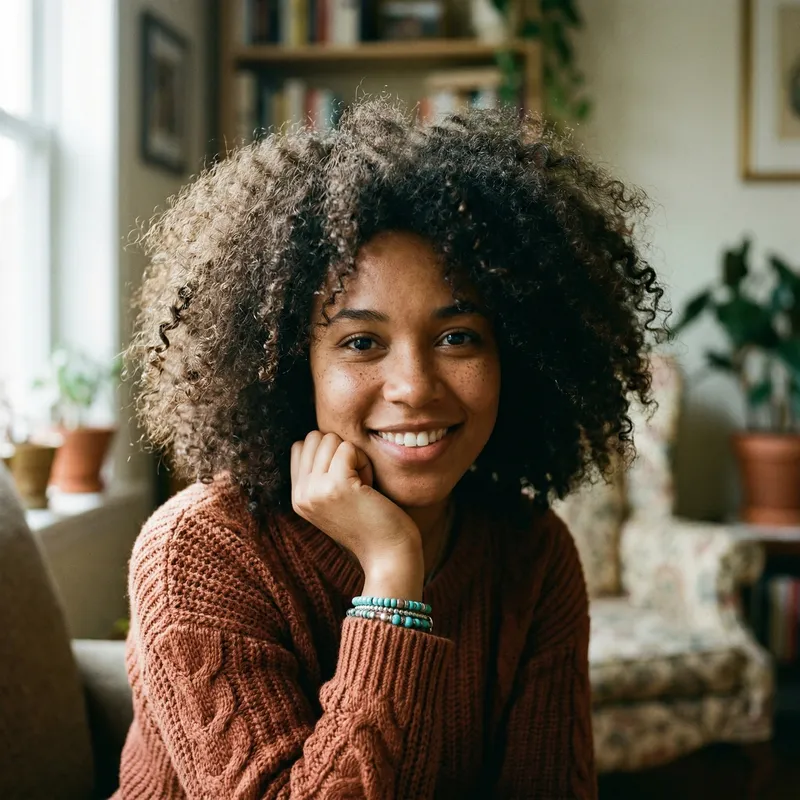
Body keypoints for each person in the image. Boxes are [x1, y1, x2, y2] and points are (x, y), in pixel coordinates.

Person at [116, 98, 665, 799]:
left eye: (458, 337)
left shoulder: (532, 553)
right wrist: (392, 573)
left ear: (519, 356)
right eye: (361, 342)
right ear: (290, 368)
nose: (413, 386)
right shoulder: (200, 551)